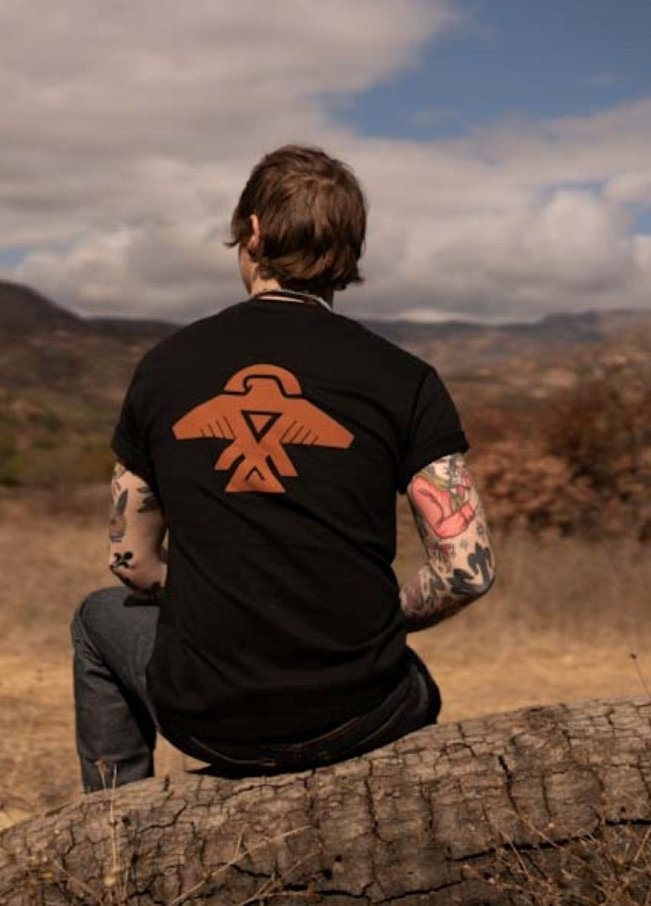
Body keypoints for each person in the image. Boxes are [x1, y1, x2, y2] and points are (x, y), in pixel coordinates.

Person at [71, 145, 495, 791]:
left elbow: (131, 561)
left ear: (255, 231)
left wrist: (209, 602)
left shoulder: (165, 366)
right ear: (350, 250)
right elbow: (466, 571)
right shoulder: (404, 378)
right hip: (362, 713)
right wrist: (382, 620)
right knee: (412, 679)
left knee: (98, 616)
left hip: (208, 715)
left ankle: (112, 823)